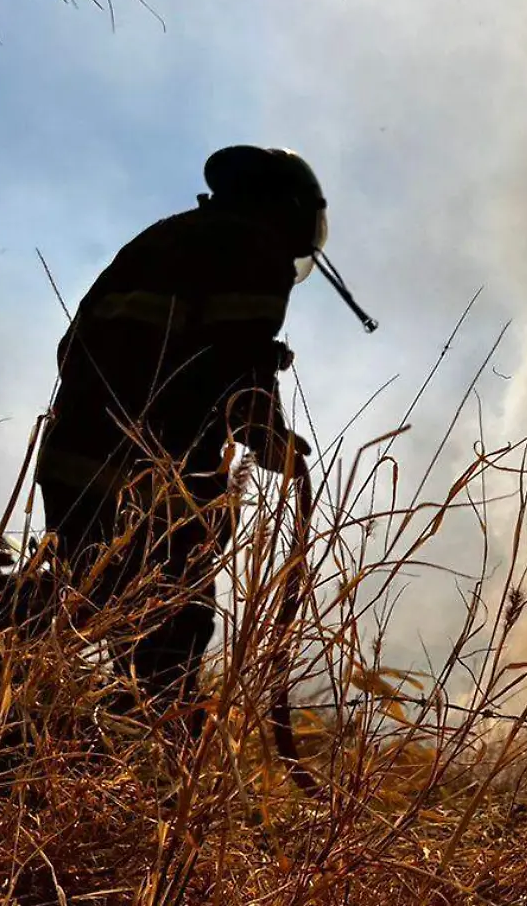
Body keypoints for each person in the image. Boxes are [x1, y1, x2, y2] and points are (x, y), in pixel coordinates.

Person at [33, 146, 323, 712]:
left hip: (73, 460)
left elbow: (76, 348)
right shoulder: (254, 247)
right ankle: (156, 759)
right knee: (175, 622)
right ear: (286, 208)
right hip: (157, 476)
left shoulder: (166, 237)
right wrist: (269, 438)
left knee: (99, 604)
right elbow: (240, 360)